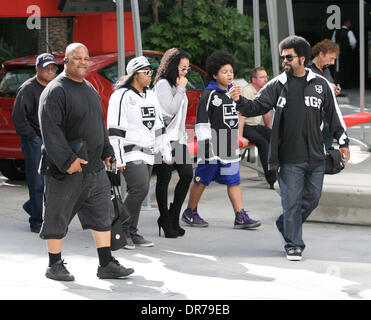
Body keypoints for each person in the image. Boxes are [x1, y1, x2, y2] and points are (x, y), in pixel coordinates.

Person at [237, 35, 350, 261]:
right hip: (288, 157)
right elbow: (255, 107)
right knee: (292, 201)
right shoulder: (277, 84)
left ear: (302, 58)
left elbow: (334, 115)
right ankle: (293, 244)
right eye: (283, 58)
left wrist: (344, 141)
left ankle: (285, 224)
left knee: (312, 198)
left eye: (288, 57)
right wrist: (238, 100)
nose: (284, 61)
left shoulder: (321, 85)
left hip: (316, 155)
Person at [38, 43, 134, 281]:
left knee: (102, 216)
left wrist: (107, 149)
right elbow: (51, 131)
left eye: (86, 58)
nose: (83, 62)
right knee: (57, 216)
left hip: (94, 169)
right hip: (66, 170)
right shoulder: (55, 90)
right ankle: (54, 265)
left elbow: (97, 124)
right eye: (77, 58)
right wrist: (67, 160)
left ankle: (106, 263)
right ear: (66, 61)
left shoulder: (89, 87)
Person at [181, 51, 261, 230]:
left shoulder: (234, 93)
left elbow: (241, 114)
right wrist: (206, 145)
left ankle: (240, 215)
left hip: (229, 143)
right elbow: (201, 121)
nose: (229, 75)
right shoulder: (209, 94)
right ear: (215, 74)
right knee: (202, 179)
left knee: (234, 179)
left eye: (231, 71)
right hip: (212, 144)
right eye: (224, 72)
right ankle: (190, 211)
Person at [107, 56, 172, 249]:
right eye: (147, 72)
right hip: (129, 150)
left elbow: (159, 125)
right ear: (135, 74)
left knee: (141, 190)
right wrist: (118, 156)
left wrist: (165, 149)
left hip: (148, 150)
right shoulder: (121, 96)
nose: (150, 75)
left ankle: (132, 232)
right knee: (140, 187)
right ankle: (121, 230)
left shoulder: (151, 95)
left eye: (151, 71)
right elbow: (115, 128)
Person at [11, 53, 57, 233]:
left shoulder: (55, 86)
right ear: (37, 69)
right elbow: (18, 118)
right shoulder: (28, 88)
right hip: (34, 141)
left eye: (53, 68)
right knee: (37, 182)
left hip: (52, 140)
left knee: (53, 181)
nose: (50, 71)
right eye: (46, 68)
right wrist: (34, 138)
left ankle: (33, 206)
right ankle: (36, 221)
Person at [153, 48, 194, 238]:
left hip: (178, 140)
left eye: (187, 69)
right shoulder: (163, 85)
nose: (185, 72)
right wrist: (181, 88)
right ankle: (164, 218)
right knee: (164, 180)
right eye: (182, 68)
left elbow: (180, 116)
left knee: (187, 175)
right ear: (172, 66)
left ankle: (173, 216)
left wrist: (184, 137)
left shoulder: (179, 85)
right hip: (163, 140)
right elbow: (169, 109)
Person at [238, 67, 276, 189]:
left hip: (255, 126)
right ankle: (271, 179)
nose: (266, 79)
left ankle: (279, 172)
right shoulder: (247, 91)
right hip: (245, 126)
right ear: (254, 79)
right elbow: (241, 115)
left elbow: (266, 112)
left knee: (274, 137)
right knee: (263, 143)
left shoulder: (265, 90)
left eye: (266, 77)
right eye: (262, 77)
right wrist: (239, 136)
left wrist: (268, 130)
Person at [308, 39, 341, 150]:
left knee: (326, 149)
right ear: (321, 54)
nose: (332, 63)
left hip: (328, 116)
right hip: (316, 118)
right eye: (331, 58)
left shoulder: (326, 70)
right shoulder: (307, 70)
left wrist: (333, 92)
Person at [331, 19, 357, 89]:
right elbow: (353, 42)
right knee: (347, 68)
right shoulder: (349, 32)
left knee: (338, 69)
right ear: (347, 23)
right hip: (347, 53)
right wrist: (351, 49)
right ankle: (346, 85)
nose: (350, 25)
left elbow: (333, 42)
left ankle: (339, 83)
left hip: (338, 54)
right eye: (349, 23)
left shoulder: (336, 31)